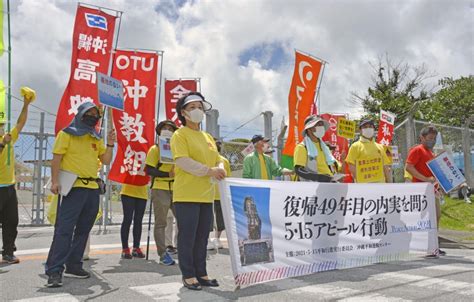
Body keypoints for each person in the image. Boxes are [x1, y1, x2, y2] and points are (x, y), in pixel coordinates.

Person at [45, 102, 115, 288]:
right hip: (72, 187)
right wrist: (54, 181)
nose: (92, 116)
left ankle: (74, 265)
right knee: (64, 230)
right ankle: (54, 270)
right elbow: (56, 158)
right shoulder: (67, 133)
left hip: (92, 188)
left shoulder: (96, 137)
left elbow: (106, 160)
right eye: (89, 113)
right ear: (81, 114)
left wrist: (110, 143)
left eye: (95, 114)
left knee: (84, 229)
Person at [171, 92, 225, 290]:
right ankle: (188, 274)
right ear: (183, 112)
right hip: (186, 194)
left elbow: (217, 157)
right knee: (188, 236)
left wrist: (220, 166)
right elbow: (182, 161)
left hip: (206, 195)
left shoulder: (207, 136)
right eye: (192, 107)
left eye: (200, 107)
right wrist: (209, 171)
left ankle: (201, 273)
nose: (197, 111)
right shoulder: (180, 134)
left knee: (202, 236)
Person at [0, 95, 33, 264]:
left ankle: (8, 252)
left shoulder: (9, 136)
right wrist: (2, 145)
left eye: (2, 124)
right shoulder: (4, 141)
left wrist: (26, 104)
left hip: (9, 187)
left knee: (11, 221)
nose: (2, 127)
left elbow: (20, 123)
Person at [405, 125, 446, 258]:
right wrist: (425, 179)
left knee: (435, 216)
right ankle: (429, 246)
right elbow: (409, 167)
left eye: (434, 138)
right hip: (423, 189)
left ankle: (433, 245)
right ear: (422, 137)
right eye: (429, 138)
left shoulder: (430, 152)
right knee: (429, 218)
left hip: (432, 190)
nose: (432, 141)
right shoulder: (417, 150)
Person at [145, 120, 178, 265]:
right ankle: (163, 253)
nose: (167, 130)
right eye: (164, 128)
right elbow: (149, 169)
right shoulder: (155, 149)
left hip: (177, 188)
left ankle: (182, 249)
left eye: (170, 128)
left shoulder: (177, 148)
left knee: (183, 221)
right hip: (160, 188)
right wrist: (166, 175)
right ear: (159, 132)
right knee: (161, 223)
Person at [345, 119, 392, 183]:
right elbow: (351, 166)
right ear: (360, 130)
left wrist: (389, 183)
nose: (368, 129)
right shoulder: (355, 146)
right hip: (364, 187)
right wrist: (361, 180)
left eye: (370, 127)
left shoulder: (380, 147)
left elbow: (385, 166)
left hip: (380, 186)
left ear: (374, 129)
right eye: (365, 127)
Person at [293, 115, 336, 182]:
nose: (321, 127)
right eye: (318, 124)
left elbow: (335, 167)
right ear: (309, 129)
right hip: (312, 187)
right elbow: (298, 170)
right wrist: (318, 177)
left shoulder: (324, 147)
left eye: (322, 124)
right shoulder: (302, 147)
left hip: (328, 184)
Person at [207, 139, 231, 250]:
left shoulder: (224, 160)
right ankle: (207, 239)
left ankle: (217, 238)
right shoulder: (206, 158)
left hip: (220, 193)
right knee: (208, 218)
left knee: (220, 218)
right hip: (207, 193)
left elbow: (228, 177)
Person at [119, 184, 148, 259]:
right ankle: (125, 249)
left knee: (138, 221)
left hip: (142, 194)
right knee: (127, 219)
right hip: (127, 192)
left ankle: (136, 247)